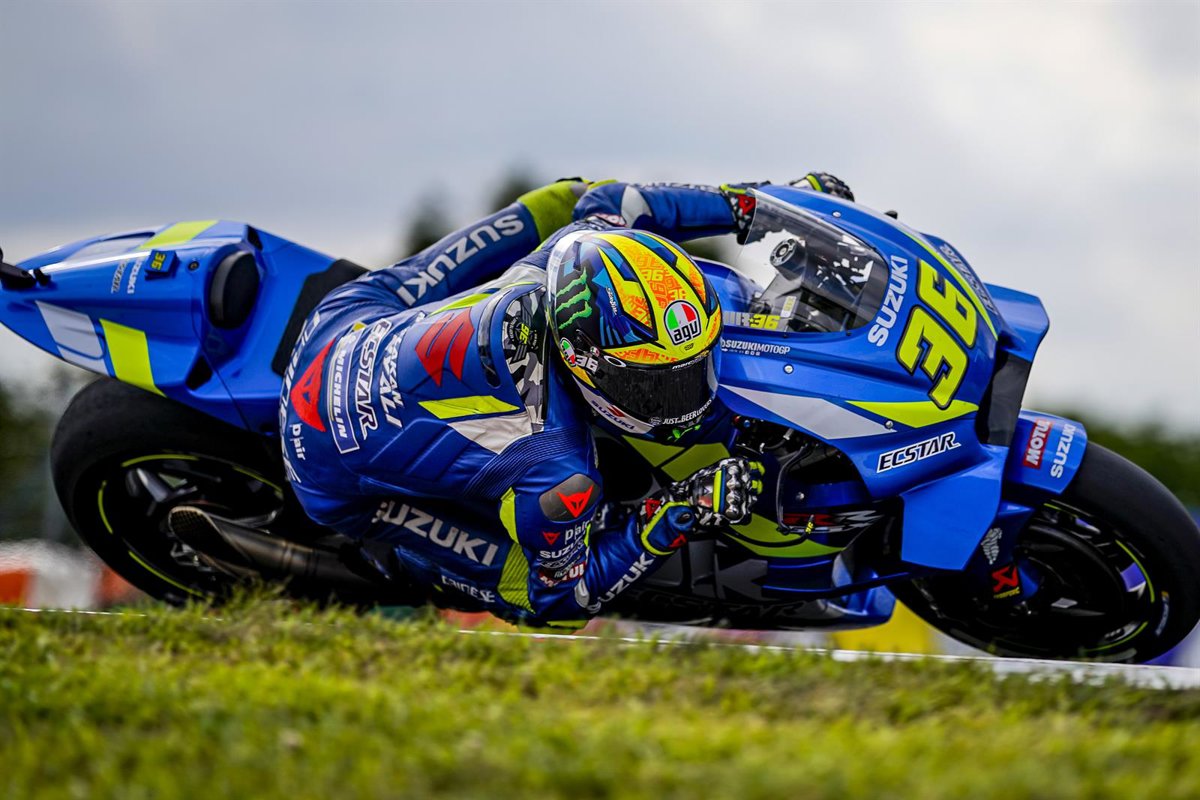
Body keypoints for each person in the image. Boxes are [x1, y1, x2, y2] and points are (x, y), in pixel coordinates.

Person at [270, 173, 852, 627]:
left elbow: (613, 201)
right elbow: (566, 600)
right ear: (585, 361)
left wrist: (757, 205)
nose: (685, 399)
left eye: (694, 368)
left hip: (342, 320)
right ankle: (395, 567)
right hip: (319, 462)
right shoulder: (557, 469)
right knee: (526, 587)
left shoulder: (562, 257)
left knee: (565, 199)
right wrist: (681, 508)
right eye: (656, 384)